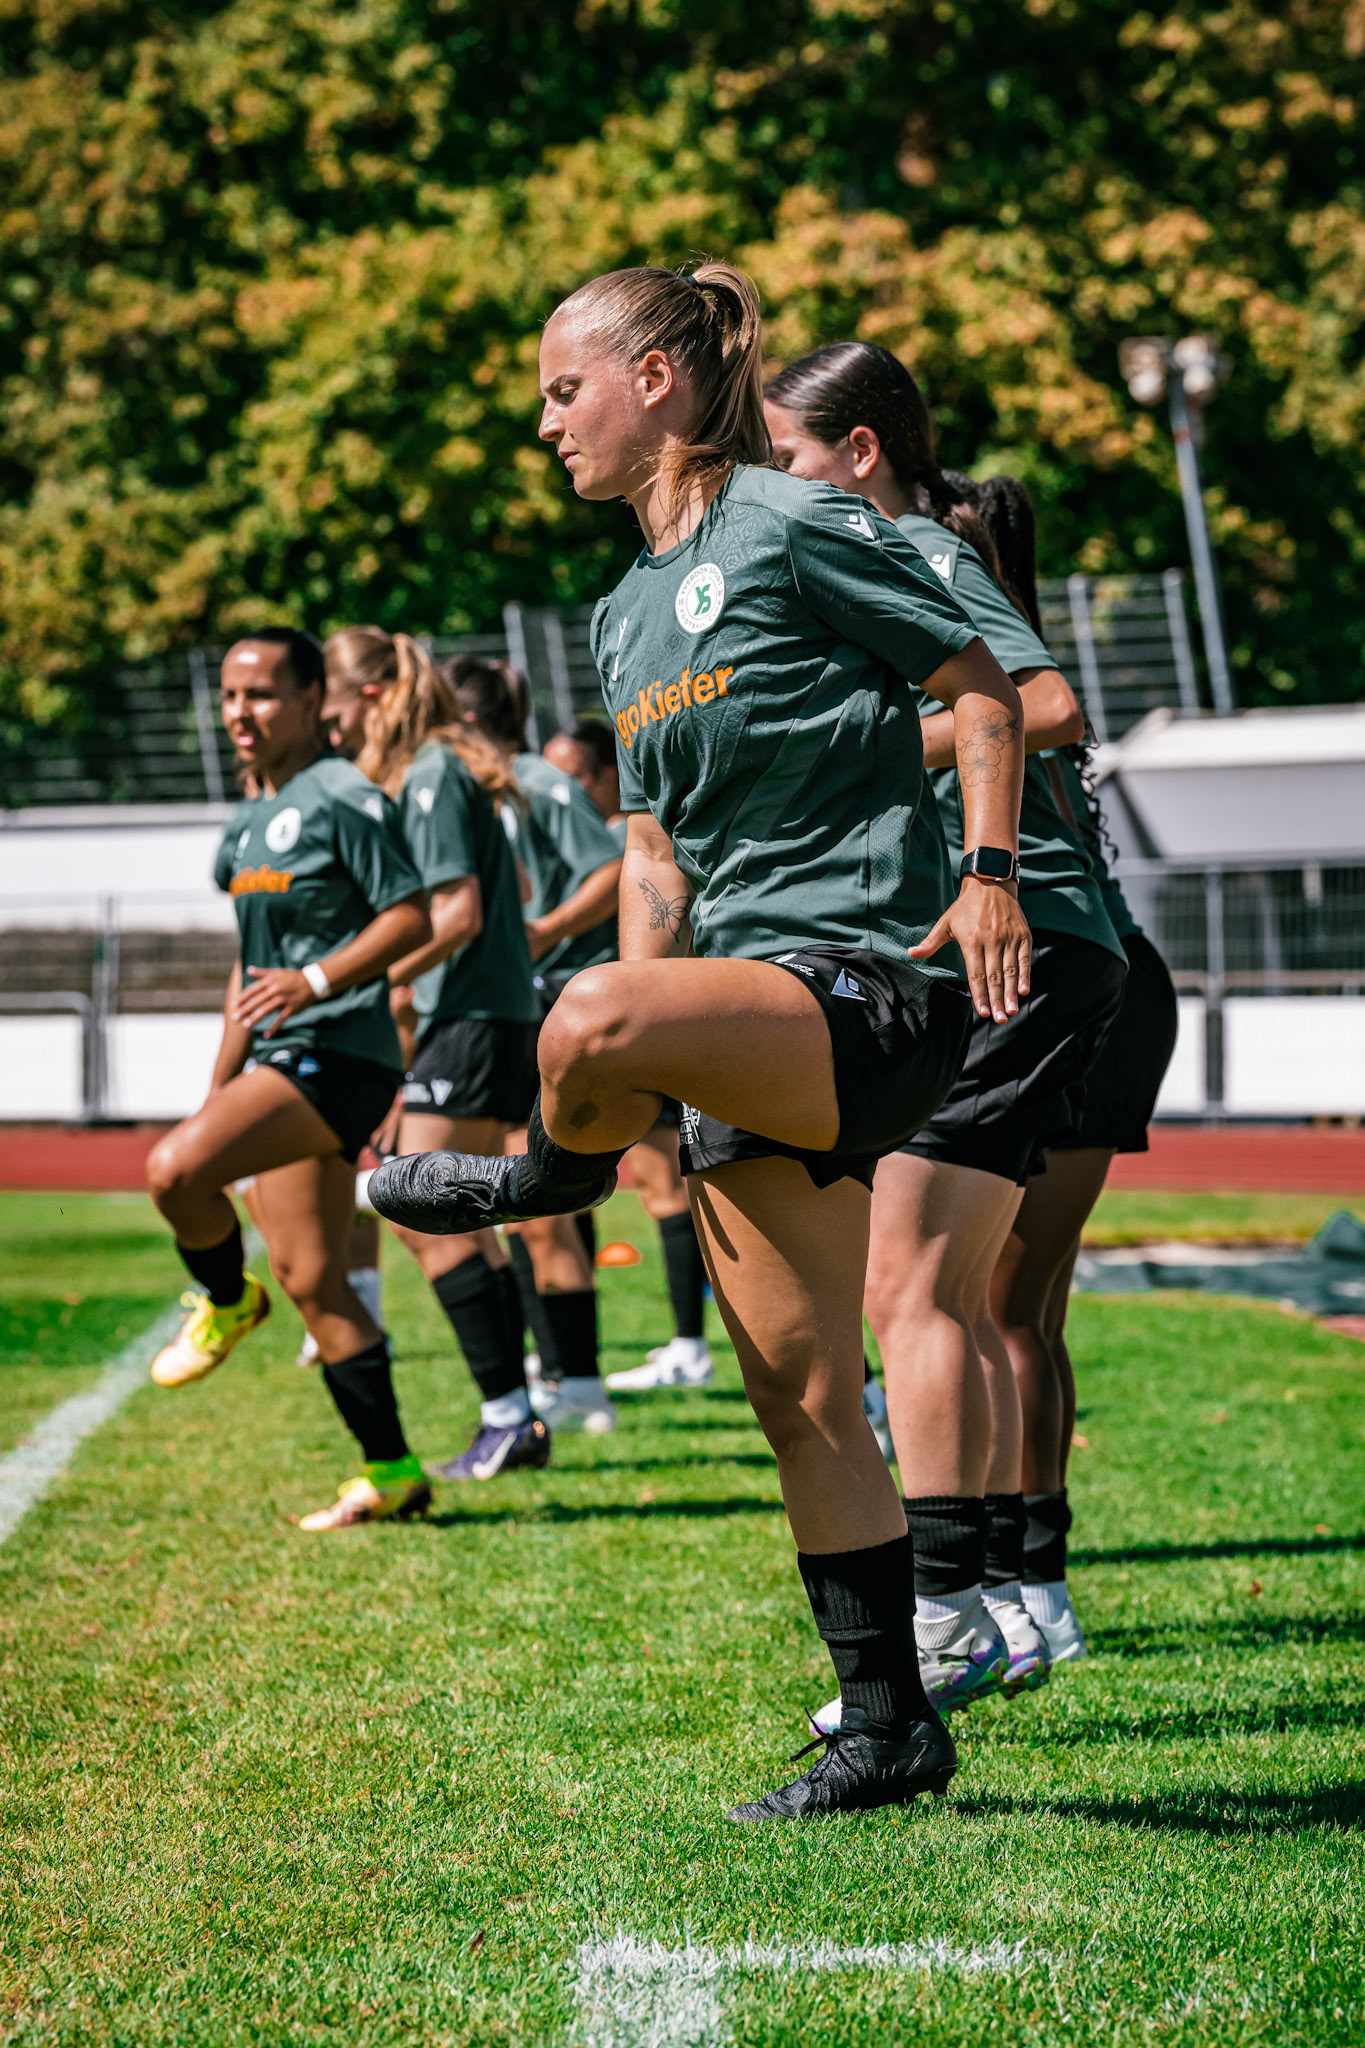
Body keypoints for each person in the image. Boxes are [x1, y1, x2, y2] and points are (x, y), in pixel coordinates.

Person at [367, 261, 1032, 1821]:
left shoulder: (797, 525)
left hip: (871, 984)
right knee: (799, 1391)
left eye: (560, 388)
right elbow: (655, 865)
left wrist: (992, 875)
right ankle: (888, 1726)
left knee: (583, 1004)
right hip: (739, 1023)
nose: (543, 424)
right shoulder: (617, 614)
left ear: (656, 379)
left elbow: (988, 689)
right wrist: (646, 1073)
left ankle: (539, 1184)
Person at [765, 342, 1128, 1717]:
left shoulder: (911, 547)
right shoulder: (891, 552)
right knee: (953, 1299)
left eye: (793, 459)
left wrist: (859, 756)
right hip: (1047, 950)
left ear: (860, 453)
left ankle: (945, 1622)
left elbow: (1044, 703)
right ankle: (984, 1608)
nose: (779, 486)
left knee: (906, 1293)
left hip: (1017, 947)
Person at [958, 475, 1180, 1660]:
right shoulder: (1008, 653)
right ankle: (1034, 1578)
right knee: (1022, 1306)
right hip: (1116, 974)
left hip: (1056, 974)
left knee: (990, 1303)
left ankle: (1007, 1580)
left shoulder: (984, 686)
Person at [145, 627, 433, 1530]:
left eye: (262, 693)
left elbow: (411, 915)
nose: (241, 712)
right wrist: (217, 1090)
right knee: (314, 1277)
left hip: (339, 1056)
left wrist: (315, 982)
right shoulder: (243, 822)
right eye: (230, 696)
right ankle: (391, 1471)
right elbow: (248, 973)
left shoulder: (343, 796)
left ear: (313, 701)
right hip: (278, 1061)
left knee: (172, 1172)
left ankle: (228, 1301)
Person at [322, 627, 552, 1482]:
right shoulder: (438, 770)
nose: (333, 731)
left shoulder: (428, 774)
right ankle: (514, 1418)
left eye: (336, 712)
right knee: (462, 1223)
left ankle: (509, 1414)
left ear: (373, 696)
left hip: (470, 1017)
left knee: (419, 1213)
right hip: (483, 1015)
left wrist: (372, 981)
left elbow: (453, 916)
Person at [444, 659, 624, 1434]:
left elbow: (613, 864)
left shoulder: (529, 779)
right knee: (515, 1198)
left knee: (533, 1196)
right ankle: (558, 1373)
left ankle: (575, 1379)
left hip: (547, 1004)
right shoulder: (463, 786)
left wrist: (547, 930)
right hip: (501, 1007)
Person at [544, 719, 712, 1388]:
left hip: (642, 1020)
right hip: (618, 1021)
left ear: (610, 776)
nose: (563, 792)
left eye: (575, 777)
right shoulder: (591, 841)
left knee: (665, 1186)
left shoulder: (626, 840)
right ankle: (673, 1345)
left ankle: (688, 1346)